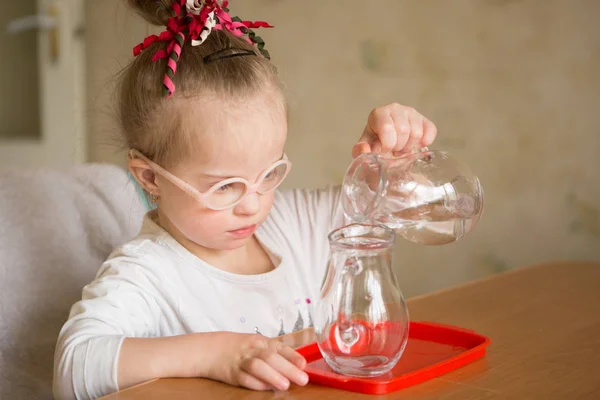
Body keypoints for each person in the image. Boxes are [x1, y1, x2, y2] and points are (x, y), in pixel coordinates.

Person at [53, 1, 437, 398]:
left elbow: (403, 205)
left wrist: (392, 160)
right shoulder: (147, 273)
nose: (253, 205)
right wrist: (210, 354)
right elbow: (73, 368)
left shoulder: (295, 224)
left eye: (269, 174)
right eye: (225, 186)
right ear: (150, 177)